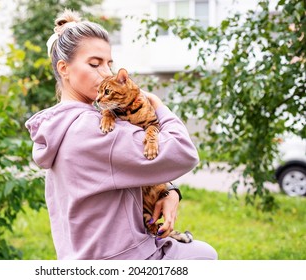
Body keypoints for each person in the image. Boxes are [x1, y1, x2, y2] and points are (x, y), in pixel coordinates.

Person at [25, 9, 218, 260]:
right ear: (64, 68)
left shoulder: (58, 127)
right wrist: (158, 104)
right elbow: (183, 152)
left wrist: (169, 191)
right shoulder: (96, 130)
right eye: (95, 64)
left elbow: (121, 173)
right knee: (204, 256)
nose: (106, 73)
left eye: (109, 63)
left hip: (79, 256)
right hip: (124, 259)